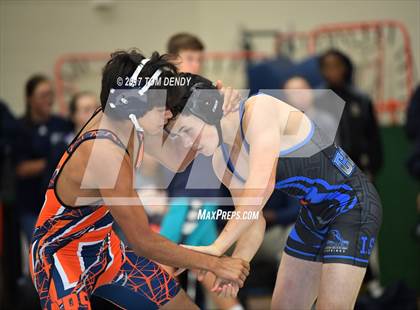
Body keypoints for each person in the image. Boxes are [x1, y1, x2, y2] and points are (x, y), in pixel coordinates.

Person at [29, 50, 249, 310]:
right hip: (62, 259)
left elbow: (177, 160)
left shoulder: (126, 120)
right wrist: (215, 263)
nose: (167, 114)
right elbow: (143, 241)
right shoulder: (105, 151)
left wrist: (215, 110)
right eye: (159, 106)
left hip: (104, 249)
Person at [167, 73, 382, 309]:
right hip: (313, 216)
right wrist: (236, 264)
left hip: (352, 206)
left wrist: (217, 248)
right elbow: (252, 218)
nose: (187, 143)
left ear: (206, 111)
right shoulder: (221, 161)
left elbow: (262, 188)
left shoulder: (259, 109)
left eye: (187, 130)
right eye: (179, 136)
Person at [164, 32, 243, 309]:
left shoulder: (205, 93)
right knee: (198, 266)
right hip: (178, 192)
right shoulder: (165, 97)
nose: (195, 64)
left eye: (199, 59)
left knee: (171, 265)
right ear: (173, 60)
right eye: (189, 58)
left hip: (199, 191)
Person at [14, 75, 73, 243]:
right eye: (43, 95)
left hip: (61, 206)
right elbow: (21, 168)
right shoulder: (21, 128)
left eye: (50, 94)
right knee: (40, 253)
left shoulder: (61, 124)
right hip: (32, 206)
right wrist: (52, 161)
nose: (49, 100)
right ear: (29, 99)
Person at [319, 49, 383, 180]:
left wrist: (372, 167)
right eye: (328, 67)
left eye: (336, 66)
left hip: (359, 167)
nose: (333, 71)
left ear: (345, 68)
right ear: (322, 71)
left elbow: (373, 137)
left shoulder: (360, 99)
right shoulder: (316, 100)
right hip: (328, 171)